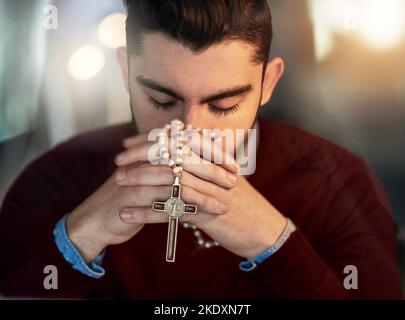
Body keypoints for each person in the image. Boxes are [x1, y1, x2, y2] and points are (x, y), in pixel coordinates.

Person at [0, 0, 402, 299]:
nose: (188, 130)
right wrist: (79, 237)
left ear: (268, 83)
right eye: (161, 100)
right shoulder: (53, 178)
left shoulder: (339, 183)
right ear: (125, 72)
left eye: (223, 104)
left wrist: (274, 241)